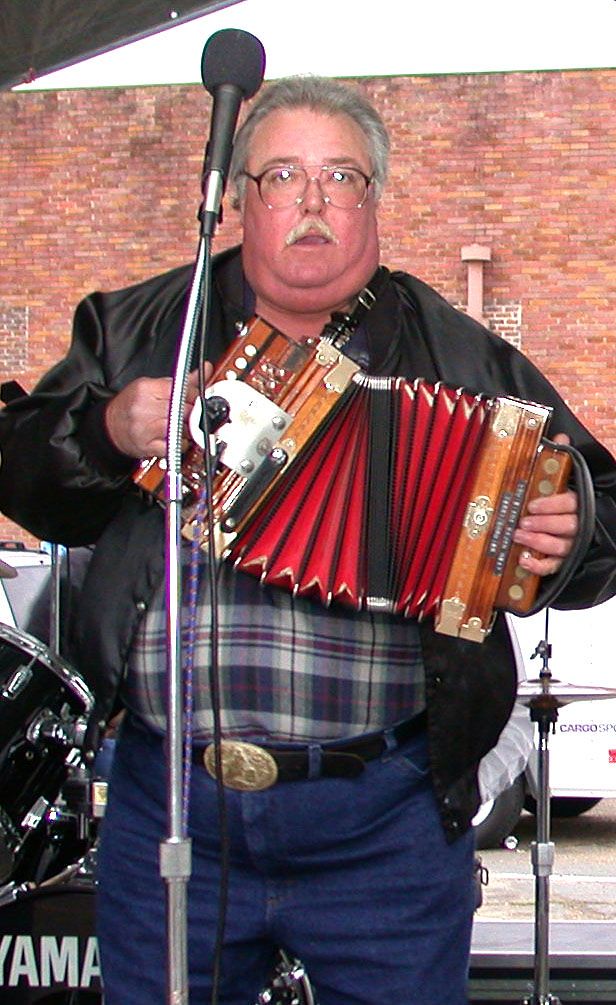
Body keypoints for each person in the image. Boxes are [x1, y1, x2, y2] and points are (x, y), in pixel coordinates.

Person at [0, 76, 615, 1005]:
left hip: (387, 819)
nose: (314, 202)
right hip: (173, 805)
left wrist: (567, 523)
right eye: (283, 175)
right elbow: (22, 477)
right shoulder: (136, 331)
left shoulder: (459, 354)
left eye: (343, 177)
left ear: (377, 202)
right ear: (240, 198)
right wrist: (105, 428)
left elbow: (601, 512)